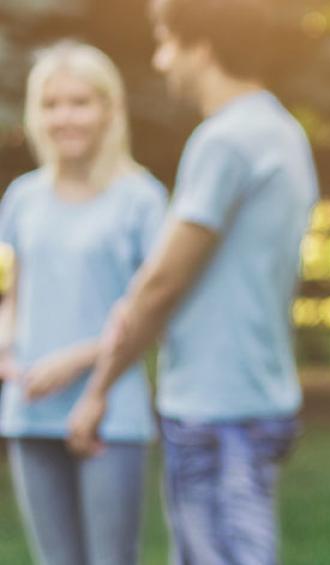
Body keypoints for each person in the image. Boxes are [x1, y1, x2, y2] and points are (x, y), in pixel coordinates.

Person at [65, 0, 318, 562]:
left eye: (167, 42)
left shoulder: (225, 140)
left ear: (201, 45)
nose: (160, 62)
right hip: (257, 397)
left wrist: (98, 389)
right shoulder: (280, 130)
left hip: (215, 409)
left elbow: (160, 281)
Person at [0, 40, 166, 565]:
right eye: (51, 104)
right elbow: (15, 295)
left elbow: (153, 314)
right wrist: (5, 345)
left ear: (108, 109)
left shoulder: (142, 198)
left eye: (79, 102)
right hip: (29, 409)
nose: (63, 117)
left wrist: (73, 360)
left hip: (110, 412)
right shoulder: (22, 198)